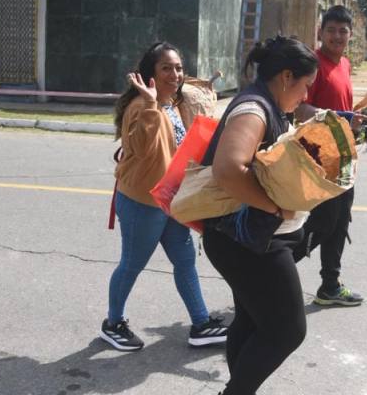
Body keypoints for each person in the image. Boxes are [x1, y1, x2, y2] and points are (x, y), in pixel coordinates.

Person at [202, 35, 319, 395]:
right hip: (248, 243)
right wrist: (275, 208)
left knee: (253, 322)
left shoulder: (269, 105)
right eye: (304, 86)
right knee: (287, 330)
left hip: (243, 239)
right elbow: (228, 169)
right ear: (286, 77)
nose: (305, 96)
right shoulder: (254, 109)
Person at [101, 41, 228, 352]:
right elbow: (142, 149)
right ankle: (112, 323)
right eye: (166, 68)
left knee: (185, 260)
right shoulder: (140, 107)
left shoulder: (173, 104)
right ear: (150, 74)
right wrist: (148, 104)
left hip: (170, 199)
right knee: (132, 264)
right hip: (142, 203)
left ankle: (200, 324)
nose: (175, 73)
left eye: (178, 67)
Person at [293, 5, 365, 307]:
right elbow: (299, 107)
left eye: (343, 31)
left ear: (350, 35)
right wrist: (339, 117)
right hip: (319, 154)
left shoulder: (345, 64)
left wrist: (358, 120)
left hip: (343, 154)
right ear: (320, 32)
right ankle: (267, 270)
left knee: (340, 221)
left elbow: (342, 108)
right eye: (331, 30)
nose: (337, 36)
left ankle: (330, 285)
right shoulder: (313, 64)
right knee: (323, 222)